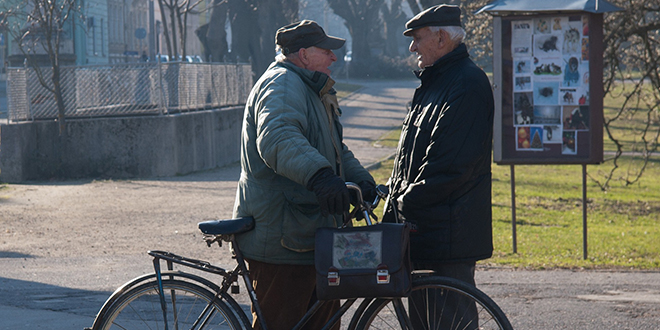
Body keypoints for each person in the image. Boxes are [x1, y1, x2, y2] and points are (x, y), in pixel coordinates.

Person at [232, 20, 375, 330]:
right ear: (304, 54)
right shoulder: (282, 84)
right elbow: (277, 138)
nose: (334, 58)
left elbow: (335, 148)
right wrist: (321, 177)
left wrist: (362, 181)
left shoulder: (310, 88)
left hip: (308, 235)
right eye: (327, 51)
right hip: (283, 239)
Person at [383, 4, 494, 329]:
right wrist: (392, 194)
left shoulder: (466, 84)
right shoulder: (436, 83)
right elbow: (412, 158)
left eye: (418, 38)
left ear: (442, 38)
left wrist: (403, 201)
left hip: (448, 237)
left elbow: (449, 166)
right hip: (428, 232)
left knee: (448, 323)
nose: (412, 47)